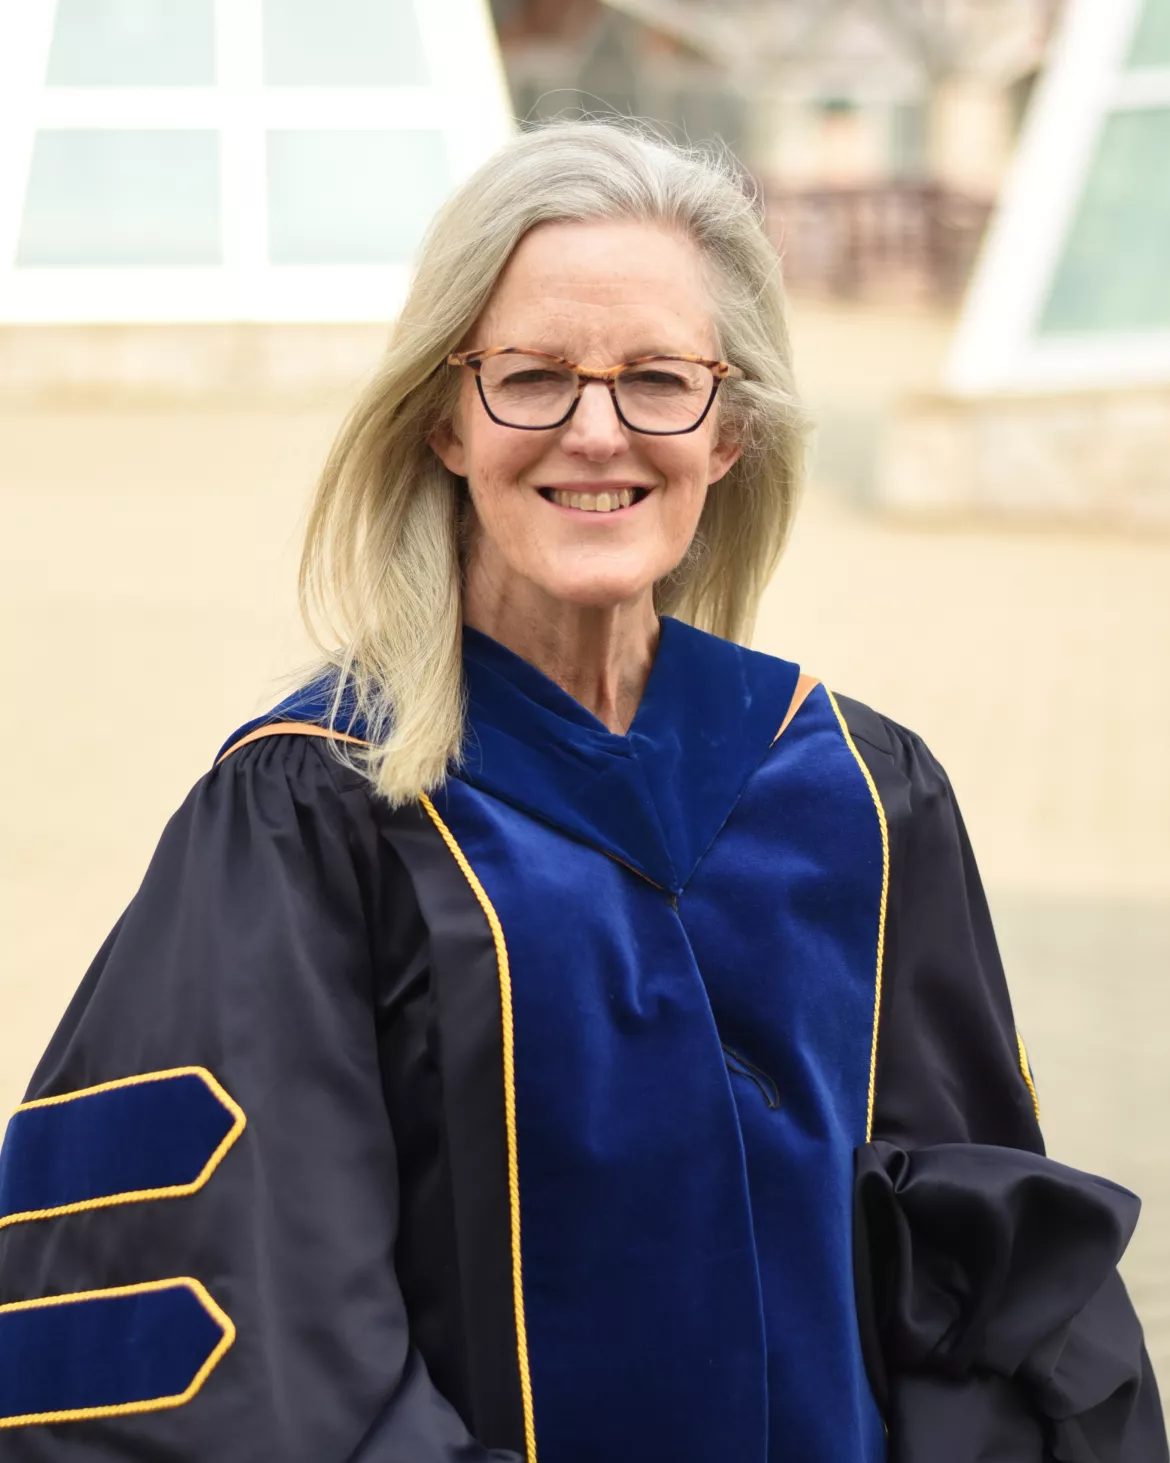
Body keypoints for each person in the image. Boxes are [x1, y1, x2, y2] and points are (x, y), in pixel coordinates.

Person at [0, 121, 1163, 1463]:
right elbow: (243, 1339)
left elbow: (978, 1282)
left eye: (658, 378)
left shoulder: (857, 791)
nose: (597, 431)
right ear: (444, 415)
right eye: (534, 376)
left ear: (727, 430)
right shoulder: (312, 818)